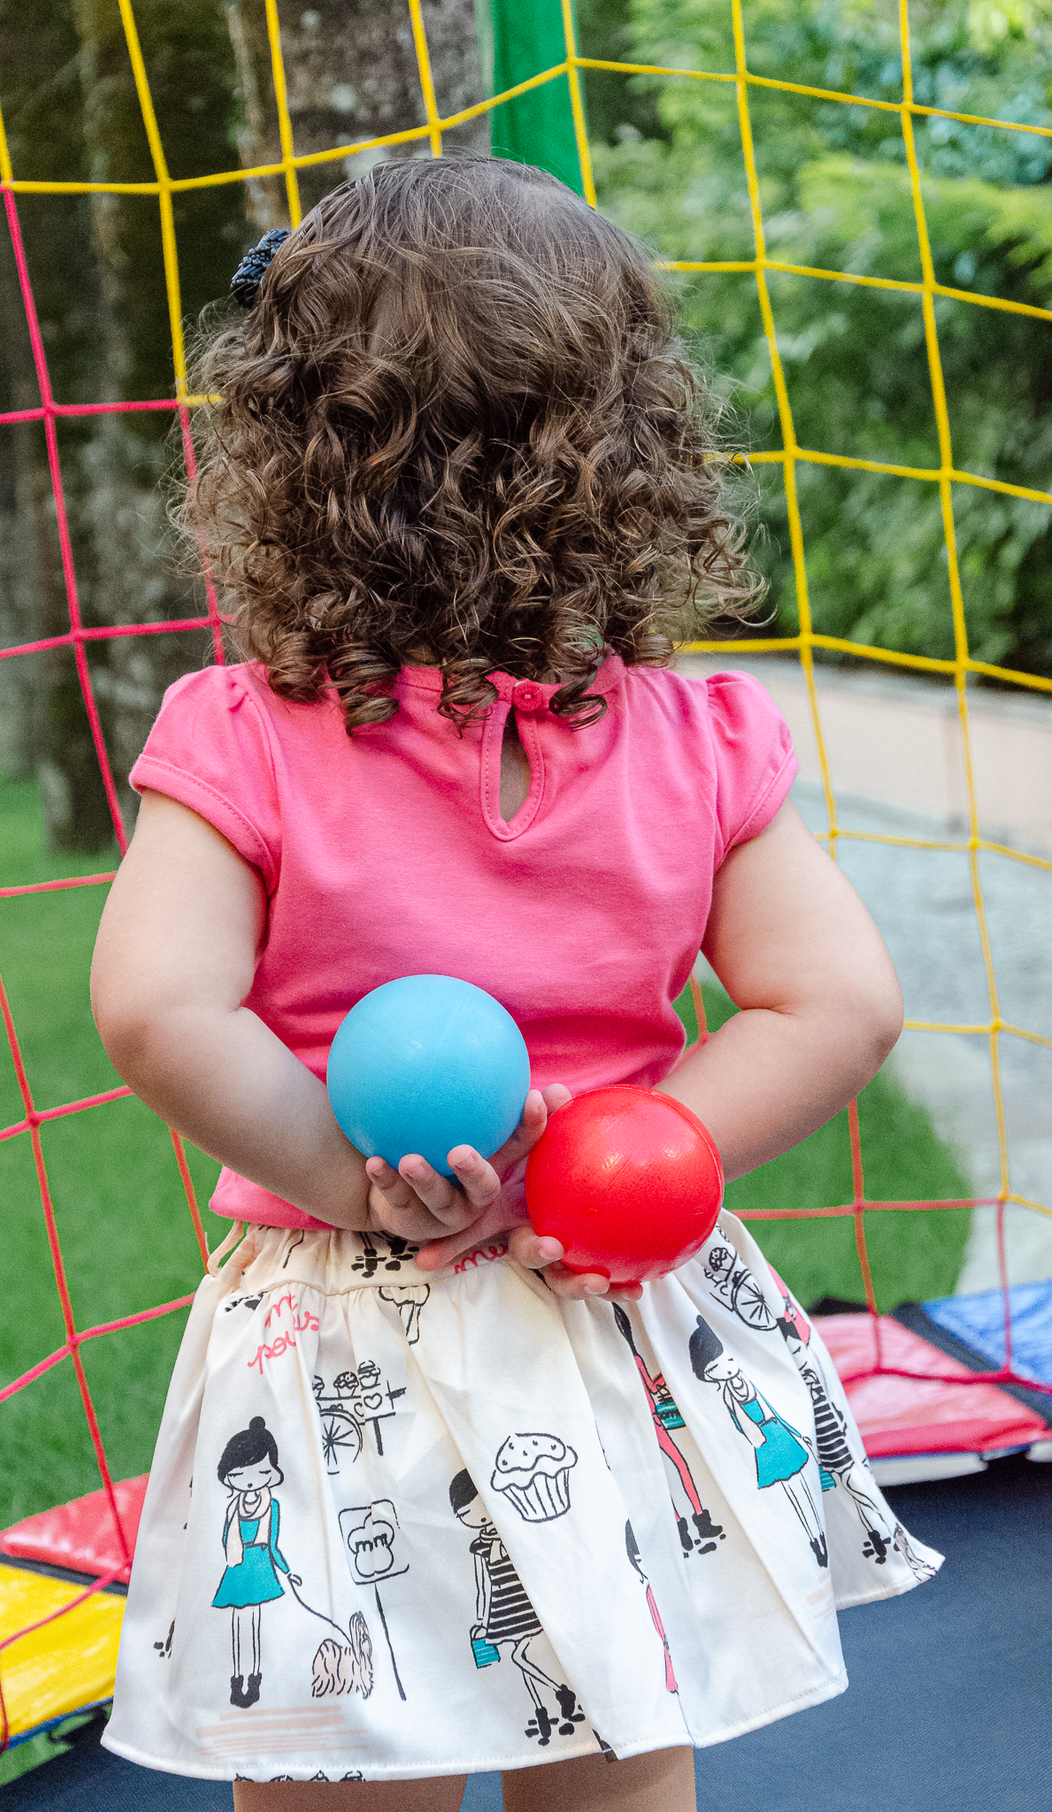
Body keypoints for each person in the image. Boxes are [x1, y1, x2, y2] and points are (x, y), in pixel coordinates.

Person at [91, 155, 941, 1812]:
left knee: (354, 1749)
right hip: (596, 1289)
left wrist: (362, 1183)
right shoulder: (697, 739)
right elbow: (839, 1002)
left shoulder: (246, 732)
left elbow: (154, 1005)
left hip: (351, 1322)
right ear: (631, 459)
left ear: (289, 456)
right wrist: (607, 1166)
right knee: (615, 1739)